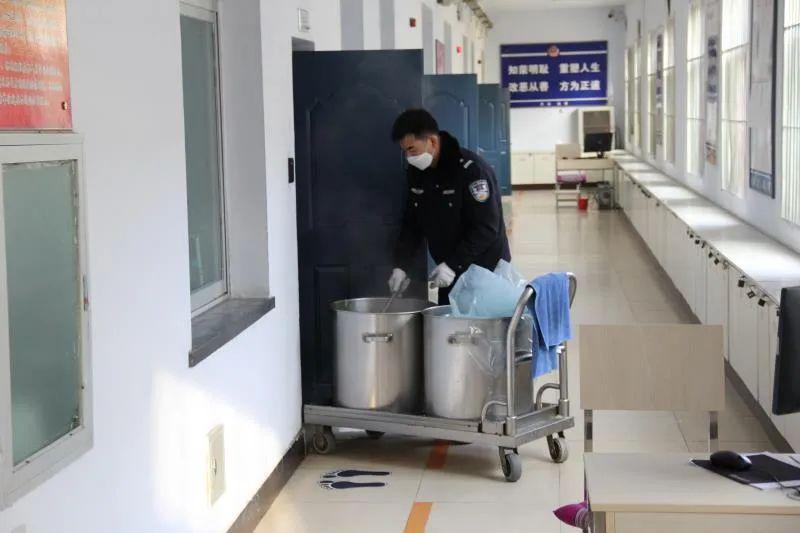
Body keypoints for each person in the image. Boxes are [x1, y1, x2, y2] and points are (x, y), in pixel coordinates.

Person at [388, 109, 510, 305]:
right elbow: (412, 223)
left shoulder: (472, 170)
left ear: (432, 142)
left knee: (479, 323)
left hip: (485, 271)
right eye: (405, 151)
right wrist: (400, 266)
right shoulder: (417, 173)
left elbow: (486, 228)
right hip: (448, 272)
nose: (408, 156)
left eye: (412, 149)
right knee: (448, 321)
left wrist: (453, 265)